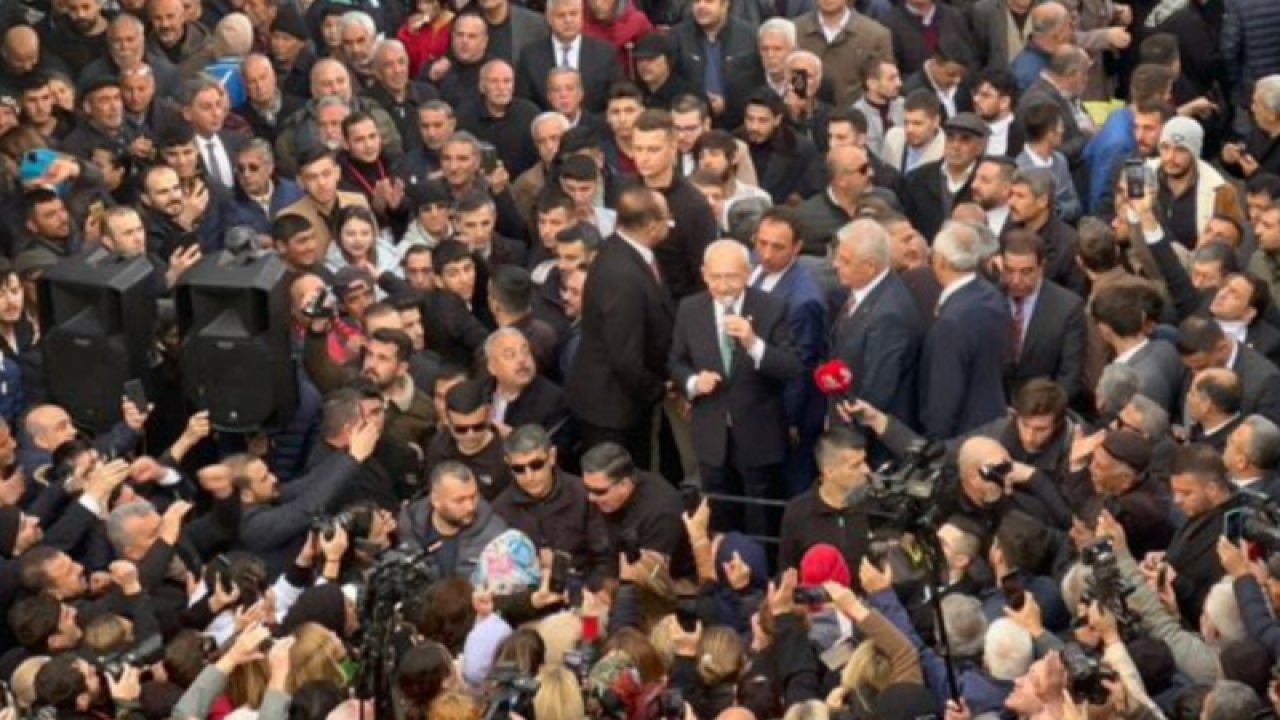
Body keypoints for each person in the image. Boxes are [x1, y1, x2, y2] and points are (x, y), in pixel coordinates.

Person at [668, 239, 802, 536]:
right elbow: (675, 362)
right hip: (712, 437)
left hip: (759, 437)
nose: (723, 286)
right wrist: (692, 382)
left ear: (748, 272)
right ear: (704, 274)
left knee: (761, 519)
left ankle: (763, 577)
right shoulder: (690, 309)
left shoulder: (771, 308)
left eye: (731, 277)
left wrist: (754, 344)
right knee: (719, 518)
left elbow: (792, 369)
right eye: (716, 277)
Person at [565, 185, 674, 466]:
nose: (670, 225)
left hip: (621, 401)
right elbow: (625, 357)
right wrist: (661, 390)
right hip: (611, 410)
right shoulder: (622, 277)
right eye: (667, 219)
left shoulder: (620, 249)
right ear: (651, 226)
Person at [828, 219, 926, 440]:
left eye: (844, 260)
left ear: (870, 266)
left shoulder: (888, 314)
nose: (835, 264)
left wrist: (848, 434)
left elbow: (877, 390)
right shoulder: (865, 289)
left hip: (868, 437)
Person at [919, 222, 1010, 440]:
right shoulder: (991, 295)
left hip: (964, 434)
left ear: (940, 261)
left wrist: (935, 440)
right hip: (993, 420)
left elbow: (946, 392)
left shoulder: (952, 322)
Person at [491, 424, 610, 588]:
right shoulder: (500, 510)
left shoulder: (583, 496)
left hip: (584, 592)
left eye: (537, 465)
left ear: (552, 456)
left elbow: (605, 559)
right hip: (525, 602)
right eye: (518, 469)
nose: (529, 476)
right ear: (508, 464)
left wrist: (583, 590)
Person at [579, 442, 693, 581]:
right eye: (587, 488)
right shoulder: (603, 496)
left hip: (666, 587)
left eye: (599, 492)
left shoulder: (660, 512)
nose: (591, 497)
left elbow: (649, 576)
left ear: (624, 484)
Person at [1000, 230, 1087, 402]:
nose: (1016, 280)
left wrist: (1045, 413)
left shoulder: (1067, 307)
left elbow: (1070, 374)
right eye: (1009, 271)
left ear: (1041, 267)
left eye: (1026, 272)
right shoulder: (989, 299)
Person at [398, 461, 508, 578]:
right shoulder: (409, 525)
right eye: (459, 500)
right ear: (435, 500)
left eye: (473, 496)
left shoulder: (496, 535)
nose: (470, 506)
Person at [515, 0, 620, 114]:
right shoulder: (530, 56)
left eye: (573, 14)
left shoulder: (604, 53)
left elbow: (616, 98)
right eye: (561, 15)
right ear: (549, 18)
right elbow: (524, 104)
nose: (568, 20)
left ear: (582, 16)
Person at [901, 112, 988, 241]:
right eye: (950, 138)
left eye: (965, 139)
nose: (955, 146)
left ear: (980, 146)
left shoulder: (985, 181)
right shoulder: (917, 179)